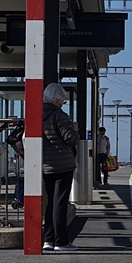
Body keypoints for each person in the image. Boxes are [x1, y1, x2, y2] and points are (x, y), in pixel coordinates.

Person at [41, 83, 79, 252]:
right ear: (56, 99)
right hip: (62, 165)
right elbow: (70, 139)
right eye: (62, 101)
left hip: (45, 165)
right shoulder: (60, 115)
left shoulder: (37, 115)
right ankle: (61, 241)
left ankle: (48, 239)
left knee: (51, 203)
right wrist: (75, 129)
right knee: (60, 203)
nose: (62, 104)